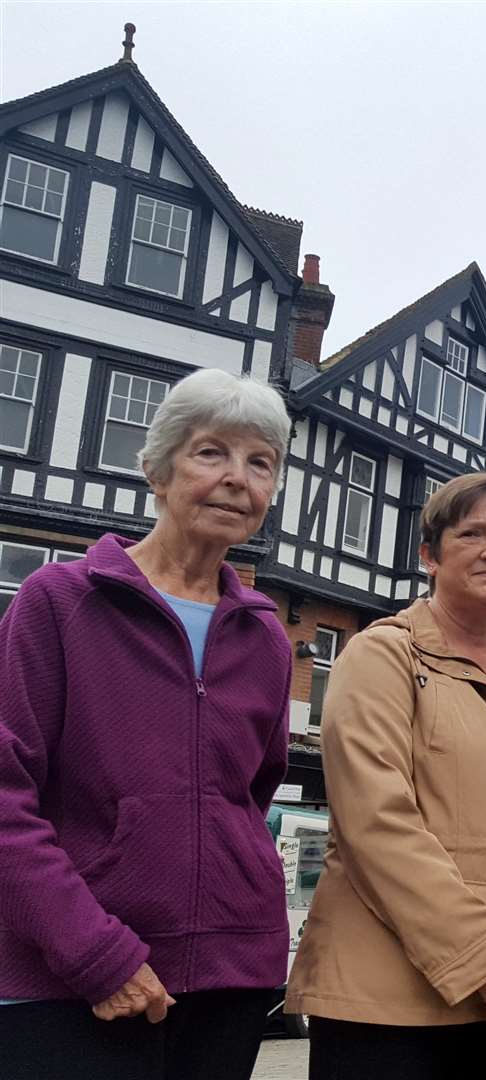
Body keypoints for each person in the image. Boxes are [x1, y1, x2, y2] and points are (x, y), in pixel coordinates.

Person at [0, 369, 294, 1080]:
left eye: (260, 463)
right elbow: (7, 802)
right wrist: (96, 953)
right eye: (211, 453)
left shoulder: (269, 641)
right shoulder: (59, 604)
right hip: (68, 980)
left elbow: (249, 800)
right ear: (157, 473)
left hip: (231, 978)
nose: (236, 479)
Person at [286, 473, 486, 1079]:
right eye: (472, 534)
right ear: (429, 557)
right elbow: (376, 825)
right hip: (390, 1007)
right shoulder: (384, 657)